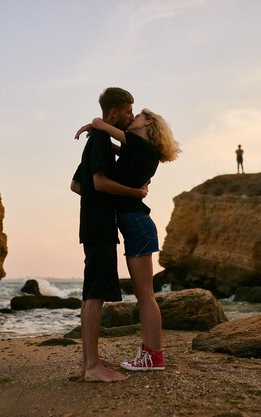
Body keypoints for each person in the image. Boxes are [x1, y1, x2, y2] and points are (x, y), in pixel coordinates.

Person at [75, 108, 180, 372]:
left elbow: (102, 125)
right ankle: (152, 354)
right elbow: (110, 147)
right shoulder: (139, 151)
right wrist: (97, 135)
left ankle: (153, 355)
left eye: (138, 116)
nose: (133, 118)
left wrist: (94, 124)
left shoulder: (141, 146)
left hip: (136, 223)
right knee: (146, 295)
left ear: (148, 124)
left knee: (145, 295)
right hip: (135, 224)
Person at [70, 87, 148, 383]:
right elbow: (99, 183)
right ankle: (92, 367)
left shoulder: (96, 140)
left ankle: (90, 359)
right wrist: (135, 192)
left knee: (92, 290)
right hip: (100, 225)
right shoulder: (101, 138)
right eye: (129, 111)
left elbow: (77, 185)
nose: (131, 115)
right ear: (113, 113)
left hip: (92, 222)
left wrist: (96, 200)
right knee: (96, 293)